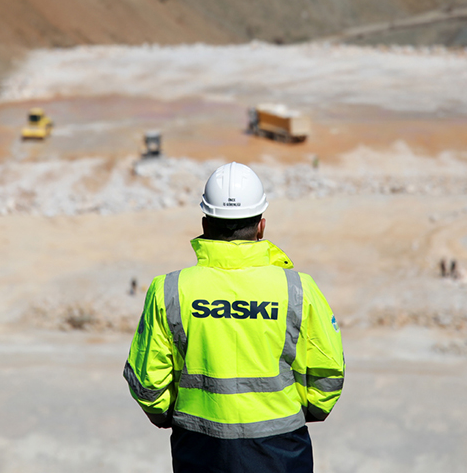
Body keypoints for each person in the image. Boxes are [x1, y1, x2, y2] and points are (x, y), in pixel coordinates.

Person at [124, 162, 345, 473]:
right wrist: (302, 411)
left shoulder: (169, 290)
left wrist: (169, 415)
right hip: (280, 450)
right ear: (261, 226)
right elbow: (329, 372)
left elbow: (147, 383)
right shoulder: (298, 290)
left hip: (200, 450)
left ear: (204, 224)